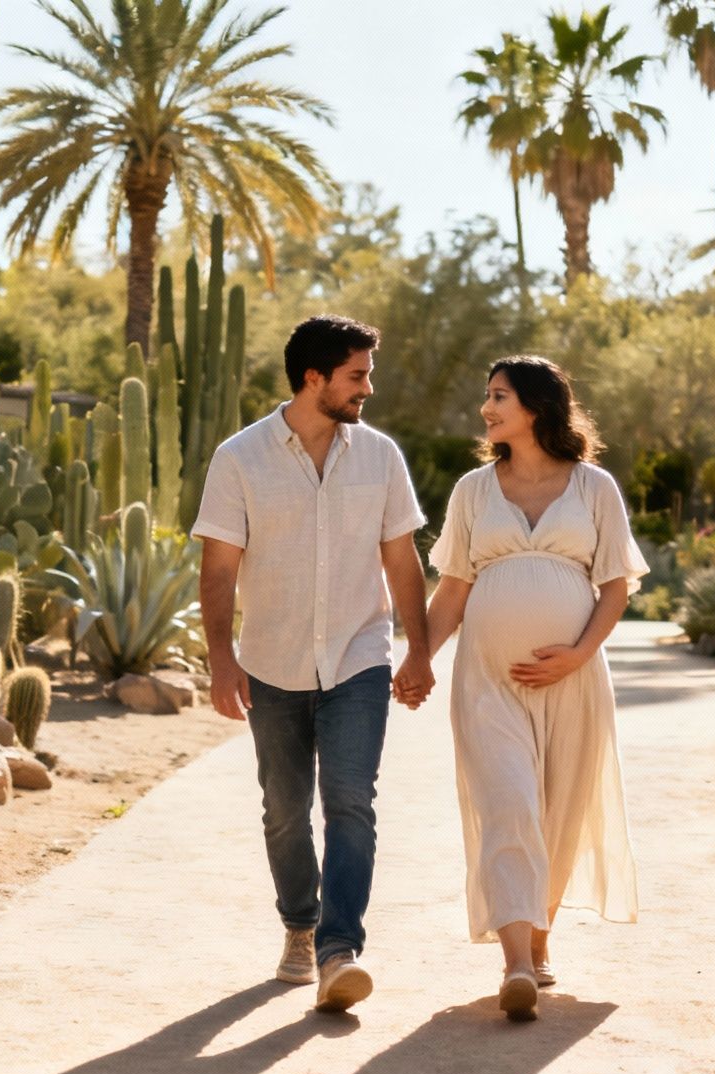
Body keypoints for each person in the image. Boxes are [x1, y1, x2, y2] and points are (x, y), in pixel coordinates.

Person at [193, 314, 435, 1014]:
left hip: (359, 656)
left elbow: (401, 559)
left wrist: (418, 649)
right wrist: (221, 659)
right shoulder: (240, 458)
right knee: (284, 810)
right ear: (314, 378)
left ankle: (338, 951)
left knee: (351, 801)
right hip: (272, 661)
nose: (368, 388)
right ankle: (299, 925)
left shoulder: (380, 456)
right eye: (357, 375)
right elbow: (218, 569)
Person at [423, 355, 644, 1022]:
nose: (486, 410)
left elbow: (615, 585)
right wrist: (417, 660)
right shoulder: (472, 491)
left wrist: (577, 654)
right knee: (508, 804)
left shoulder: (593, 488)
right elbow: (453, 588)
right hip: (488, 680)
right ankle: (516, 963)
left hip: (574, 680)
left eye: (498, 397)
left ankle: (541, 945)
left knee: (558, 810)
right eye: (487, 397)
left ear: (537, 407)